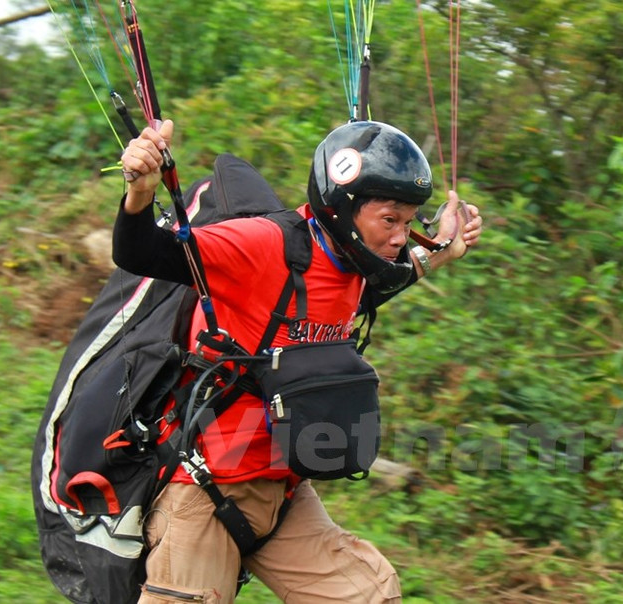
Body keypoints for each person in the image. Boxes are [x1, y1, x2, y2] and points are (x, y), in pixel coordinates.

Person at [114, 118, 483, 603]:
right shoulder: (262, 245)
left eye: (410, 222)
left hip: (281, 490)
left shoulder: (355, 264)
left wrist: (443, 250)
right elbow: (142, 252)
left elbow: (385, 280)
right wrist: (140, 193)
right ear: (342, 209)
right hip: (204, 489)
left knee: (367, 594)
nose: (400, 237)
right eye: (389, 220)